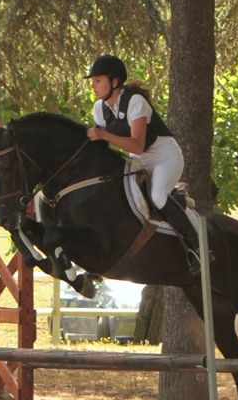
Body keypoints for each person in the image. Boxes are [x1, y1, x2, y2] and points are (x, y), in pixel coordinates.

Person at [85, 53, 207, 274]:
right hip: (139, 162)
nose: (93, 86)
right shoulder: (99, 108)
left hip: (165, 157)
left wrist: (103, 135)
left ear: (114, 82)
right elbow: (103, 146)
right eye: (93, 81)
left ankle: (196, 246)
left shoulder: (135, 101)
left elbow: (137, 145)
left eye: (98, 80)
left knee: (158, 196)